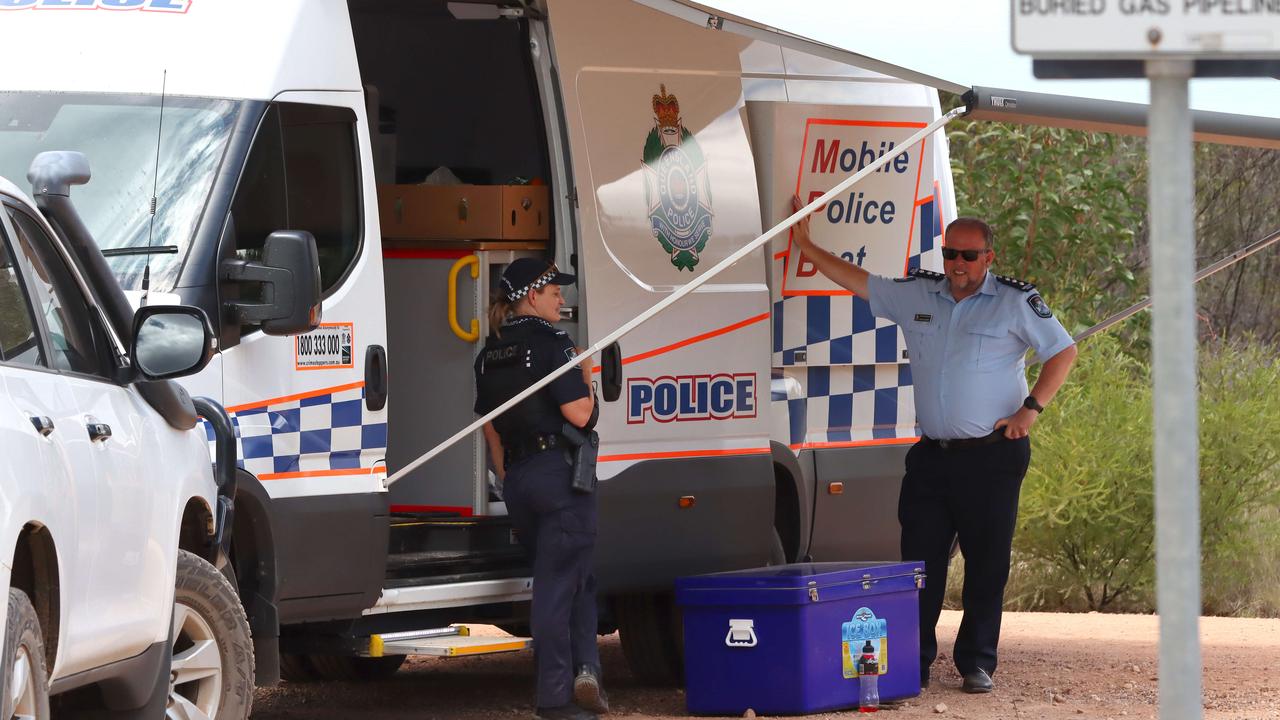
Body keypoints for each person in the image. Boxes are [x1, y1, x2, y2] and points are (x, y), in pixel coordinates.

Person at [789, 195, 1078, 694]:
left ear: (990, 258)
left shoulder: (1014, 299)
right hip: (932, 456)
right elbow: (859, 283)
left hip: (992, 453)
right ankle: (913, 662)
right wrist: (807, 247)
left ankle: (976, 662)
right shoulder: (919, 294)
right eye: (950, 255)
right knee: (918, 563)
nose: (958, 266)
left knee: (987, 562)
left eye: (969, 256)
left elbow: (1064, 350)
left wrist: (1030, 409)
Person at [474, 257, 608, 720]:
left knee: (576, 578)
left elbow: (491, 429)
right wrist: (588, 373)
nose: (561, 299)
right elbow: (580, 415)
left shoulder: (490, 353)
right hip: (560, 479)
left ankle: (586, 671)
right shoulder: (555, 344)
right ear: (533, 295)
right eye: (555, 291)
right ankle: (556, 699)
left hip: (521, 478)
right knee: (557, 588)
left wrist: (508, 476)